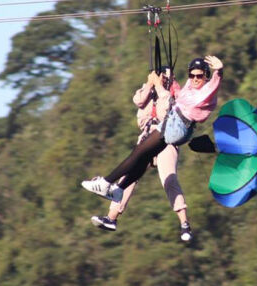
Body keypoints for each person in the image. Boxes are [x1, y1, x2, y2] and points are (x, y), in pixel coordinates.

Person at [82, 55, 224, 242]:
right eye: (192, 75)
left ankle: (184, 224)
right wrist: (156, 82)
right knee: (136, 164)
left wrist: (218, 71)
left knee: (166, 177)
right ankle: (112, 212)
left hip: (174, 130)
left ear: (205, 76)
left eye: (199, 76)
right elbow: (140, 101)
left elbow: (210, 87)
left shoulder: (204, 91)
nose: (195, 79)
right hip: (163, 129)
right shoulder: (182, 88)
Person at [85, 67, 188, 236]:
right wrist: (150, 83)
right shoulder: (147, 91)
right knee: (129, 178)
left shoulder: (175, 93)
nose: (163, 78)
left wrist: (166, 85)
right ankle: (112, 218)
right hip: (146, 140)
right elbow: (138, 101)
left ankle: (184, 223)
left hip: (164, 140)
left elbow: (168, 110)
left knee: (169, 179)